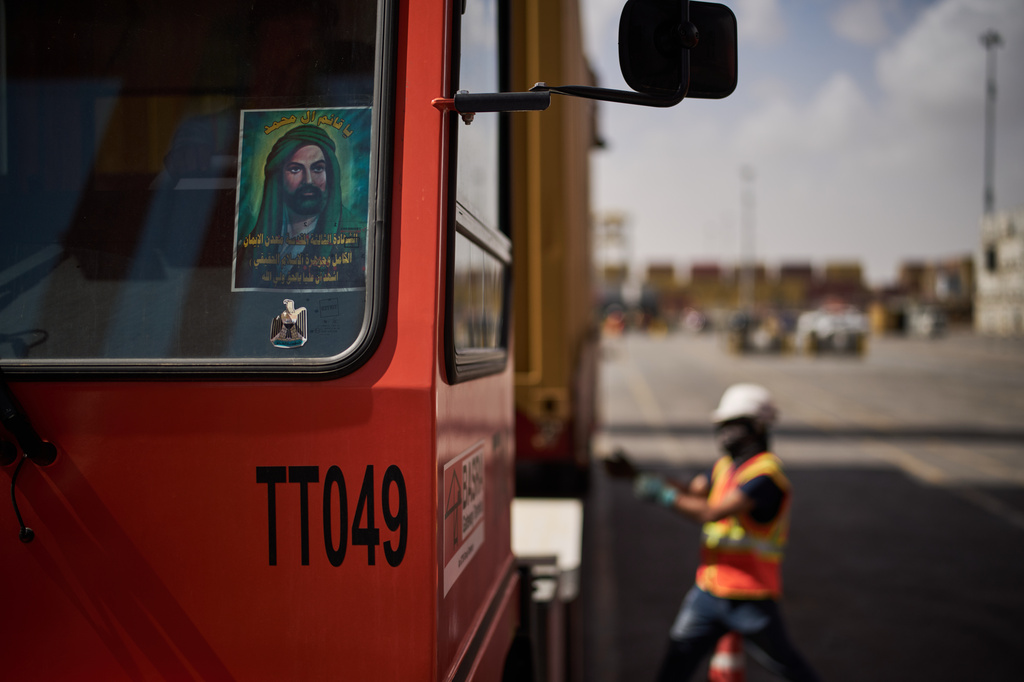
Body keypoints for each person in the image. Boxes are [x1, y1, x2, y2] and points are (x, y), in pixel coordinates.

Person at [634, 383, 821, 682]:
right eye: (722, 426)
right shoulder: (726, 466)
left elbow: (711, 512)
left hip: (749, 597)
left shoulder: (765, 476)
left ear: (758, 427)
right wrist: (639, 476)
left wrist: (663, 496)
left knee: (789, 667)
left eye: (733, 426)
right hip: (708, 592)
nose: (724, 433)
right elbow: (693, 489)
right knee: (675, 665)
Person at [235, 123, 365, 289]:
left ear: (331, 174)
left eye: (318, 168)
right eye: (296, 169)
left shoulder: (358, 237)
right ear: (278, 178)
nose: (308, 180)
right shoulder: (252, 246)